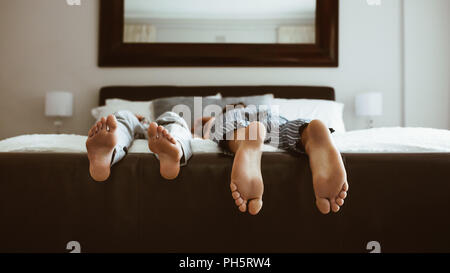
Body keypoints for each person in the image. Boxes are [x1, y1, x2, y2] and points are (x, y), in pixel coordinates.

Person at [202, 104, 349, 215]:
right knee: (287, 129)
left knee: (232, 130)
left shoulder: (227, 113)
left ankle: (244, 139)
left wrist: (206, 126)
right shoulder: (265, 109)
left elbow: (205, 134)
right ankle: (309, 133)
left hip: (234, 119)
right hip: (274, 117)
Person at [86, 110, 192, 182]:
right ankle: (175, 144)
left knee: (123, 117)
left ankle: (110, 153)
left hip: (156, 131)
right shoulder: (135, 119)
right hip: (158, 131)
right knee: (172, 119)